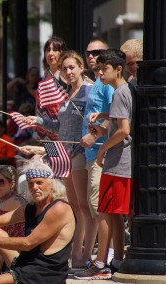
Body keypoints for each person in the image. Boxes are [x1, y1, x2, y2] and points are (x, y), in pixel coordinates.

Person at [24, 50, 92, 268]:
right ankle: (75, 252)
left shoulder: (89, 92)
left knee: (83, 206)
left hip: (80, 154)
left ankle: (85, 255)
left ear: (82, 68)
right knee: (73, 207)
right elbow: (60, 127)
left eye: (72, 67)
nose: (68, 71)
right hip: (64, 155)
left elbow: (98, 122)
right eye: (65, 69)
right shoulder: (67, 95)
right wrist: (39, 120)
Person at [75, 49, 134, 280]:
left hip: (118, 162)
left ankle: (101, 263)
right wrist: (102, 128)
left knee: (106, 211)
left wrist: (101, 147)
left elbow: (124, 131)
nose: (99, 73)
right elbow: (119, 128)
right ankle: (117, 260)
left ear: (118, 69)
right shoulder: (124, 90)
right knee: (114, 214)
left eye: (104, 68)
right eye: (97, 69)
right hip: (120, 161)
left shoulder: (120, 92)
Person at [0, 161, 75, 284]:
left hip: (44, 274)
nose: (35, 188)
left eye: (39, 183)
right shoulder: (32, 206)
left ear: (51, 184)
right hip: (27, 263)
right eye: (31, 184)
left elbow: (28, 243)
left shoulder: (59, 208)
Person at [79, 38, 115, 266]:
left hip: (103, 154)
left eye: (98, 52)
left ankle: (106, 259)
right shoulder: (97, 81)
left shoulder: (107, 83)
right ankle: (104, 257)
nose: (92, 56)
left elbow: (119, 117)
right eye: (88, 53)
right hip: (92, 155)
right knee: (96, 207)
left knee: (101, 207)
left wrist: (96, 135)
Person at [34, 36, 68, 142]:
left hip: (60, 130)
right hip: (44, 131)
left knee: (61, 158)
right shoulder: (46, 73)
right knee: (50, 158)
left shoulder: (66, 74)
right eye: (48, 50)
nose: (50, 53)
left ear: (62, 53)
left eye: (55, 50)